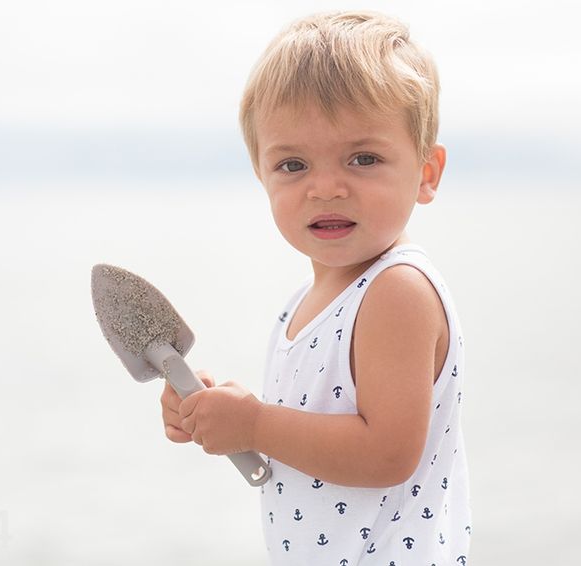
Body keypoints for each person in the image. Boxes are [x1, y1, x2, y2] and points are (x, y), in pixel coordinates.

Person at [161, 10, 471, 565]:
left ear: (426, 171)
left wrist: (254, 421)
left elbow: (386, 454)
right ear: (261, 172)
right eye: (294, 164)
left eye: (363, 158)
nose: (326, 187)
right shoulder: (303, 305)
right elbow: (314, 442)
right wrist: (215, 413)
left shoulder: (396, 291)